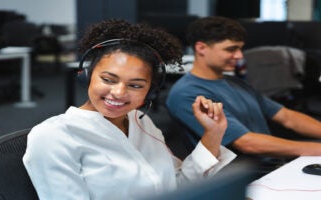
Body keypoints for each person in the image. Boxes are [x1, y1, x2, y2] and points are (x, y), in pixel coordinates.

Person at [23, 19, 236, 200]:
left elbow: (176, 185)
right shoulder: (54, 137)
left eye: (135, 85)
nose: (118, 92)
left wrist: (213, 134)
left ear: (150, 91)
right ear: (86, 76)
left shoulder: (140, 121)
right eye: (108, 79)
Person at [166, 16, 321, 159]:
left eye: (240, 48)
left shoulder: (236, 83)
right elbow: (247, 143)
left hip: (270, 166)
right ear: (201, 48)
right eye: (231, 49)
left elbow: (287, 117)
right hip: (243, 177)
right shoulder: (187, 93)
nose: (240, 56)